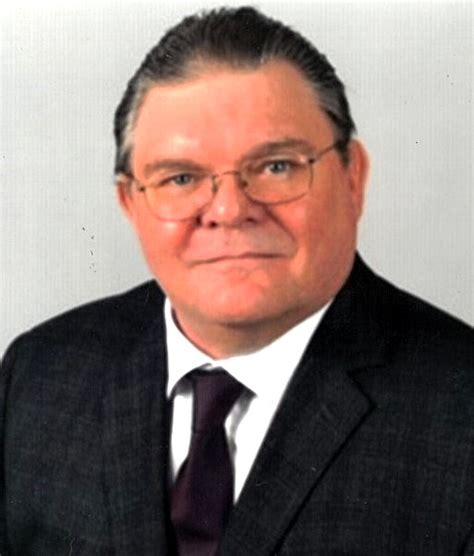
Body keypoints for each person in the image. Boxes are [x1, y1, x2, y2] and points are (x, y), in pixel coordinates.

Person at [1, 6, 472, 555]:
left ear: (353, 178)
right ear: (131, 202)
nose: (228, 210)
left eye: (276, 167)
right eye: (181, 177)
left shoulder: (460, 415)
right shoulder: (40, 374)